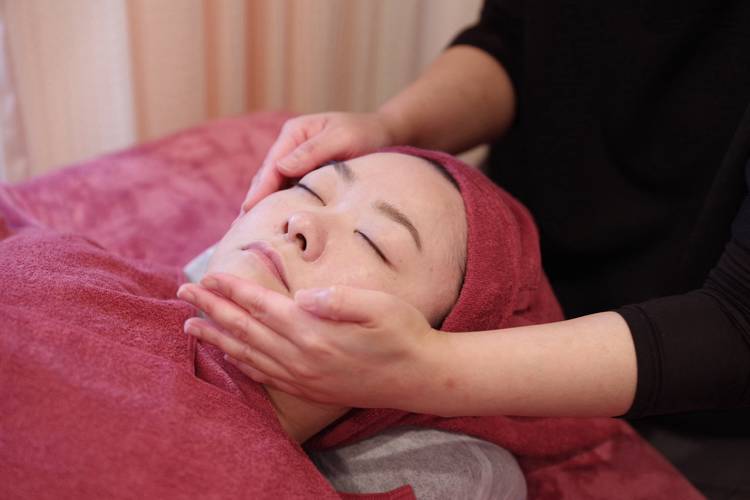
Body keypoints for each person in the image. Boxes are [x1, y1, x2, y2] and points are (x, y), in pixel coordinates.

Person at [195, 1, 750, 496]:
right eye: (311, 189)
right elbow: (513, 42)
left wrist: (428, 369)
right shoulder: (149, 293)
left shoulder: (437, 476)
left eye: (374, 242)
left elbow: (738, 323)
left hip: (692, 385)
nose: (300, 222)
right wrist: (390, 124)